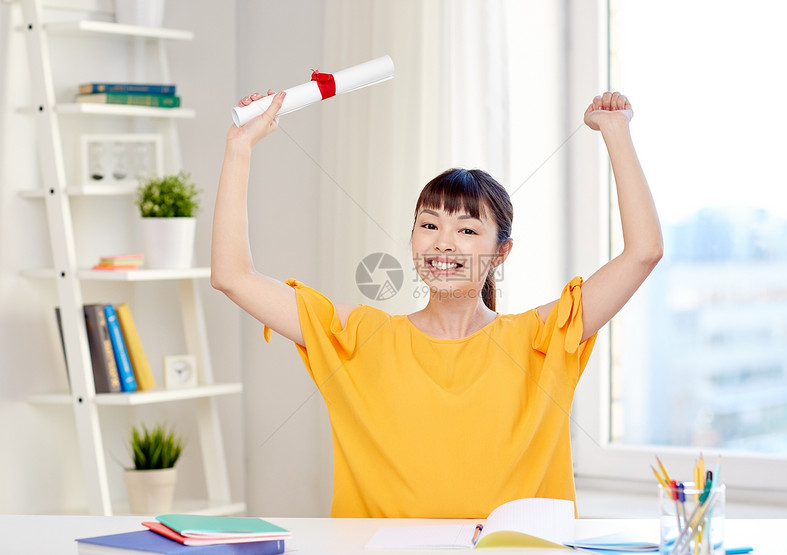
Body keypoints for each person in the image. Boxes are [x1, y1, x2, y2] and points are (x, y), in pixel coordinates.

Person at [211, 89, 662, 518]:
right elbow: (233, 277)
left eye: (467, 231)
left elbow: (643, 252)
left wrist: (615, 130)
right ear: (412, 237)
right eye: (429, 225)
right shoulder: (361, 339)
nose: (443, 244)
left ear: (500, 253)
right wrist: (240, 148)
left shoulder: (540, 341)